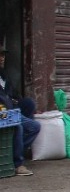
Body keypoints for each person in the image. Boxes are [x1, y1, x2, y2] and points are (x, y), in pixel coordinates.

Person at [0, 45, 41, 176]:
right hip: (3, 114)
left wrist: (16, 101)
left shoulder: (4, 75)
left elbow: (14, 95)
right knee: (19, 127)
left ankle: (12, 154)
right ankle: (18, 164)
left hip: (10, 112)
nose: (2, 58)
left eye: (3, 55)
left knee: (34, 123)